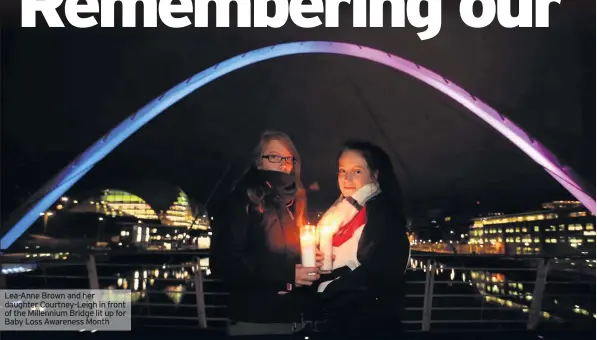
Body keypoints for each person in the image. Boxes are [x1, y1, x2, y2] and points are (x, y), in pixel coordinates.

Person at [210, 130, 323, 336]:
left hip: (296, 321)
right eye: (274, 156)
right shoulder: (241, 202)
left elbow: (282, 255)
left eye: (288, 158)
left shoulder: (293, 204)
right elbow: (224, 262)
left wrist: (311, 257)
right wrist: (288, 274)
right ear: (258, 162)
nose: (283, 163)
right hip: (257, 322)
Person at [315, 140, 411, 336]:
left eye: (357, 171)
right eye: (342, 170)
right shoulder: (342, 214)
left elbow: (381, 272)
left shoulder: (383, 214)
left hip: (369, 325)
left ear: (375, 175)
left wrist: (330, 288)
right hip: (339, 319)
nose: (347, 178)